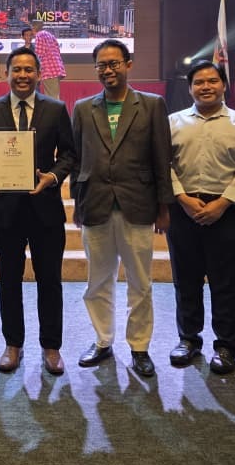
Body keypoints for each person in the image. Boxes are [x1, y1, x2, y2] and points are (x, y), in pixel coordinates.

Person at [71, 39, 173, 377]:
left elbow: (162, 157)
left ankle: (140, 346)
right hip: (95, 204)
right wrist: (77, 202)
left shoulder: (152, 105)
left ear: (128, 64)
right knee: (97, 281)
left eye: (114, 63)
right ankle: (103, 340)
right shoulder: (83, 108)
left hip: (138, 205)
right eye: (101, 65)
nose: (108, 70)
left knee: (140, 282)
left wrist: (164, 206)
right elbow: (77, 160)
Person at [0, 47, 77, 375]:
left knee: (50, 280)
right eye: (16, 70)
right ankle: (13, 344)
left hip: (45, 209)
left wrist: (53, 177)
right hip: (6, 210)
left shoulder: (56, 109)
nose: (22, 75)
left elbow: (69, 155)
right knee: (9, 279)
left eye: (28, 70)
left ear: (39, 74)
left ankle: (51, 346)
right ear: (7, 74)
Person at [166, 60, 235, 375]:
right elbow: (162, 163)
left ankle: (226, 344)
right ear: (190, 88)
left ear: (224, 85)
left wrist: (223, 202)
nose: (205, 87)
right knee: (186, 280)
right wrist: (182, 198)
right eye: (199, 82)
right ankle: (188, 339)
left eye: (212, 81)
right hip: (183, 209)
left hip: (227, 210)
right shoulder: (172, 123)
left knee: (227, 282)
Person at [31, 20, 66, 100]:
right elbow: (57, 50)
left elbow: (39, 54)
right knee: (54, 96)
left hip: (49, 71)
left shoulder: (39, 35)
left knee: (51, 98)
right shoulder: (50, 35)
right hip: (57, 69)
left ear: (34, 28)